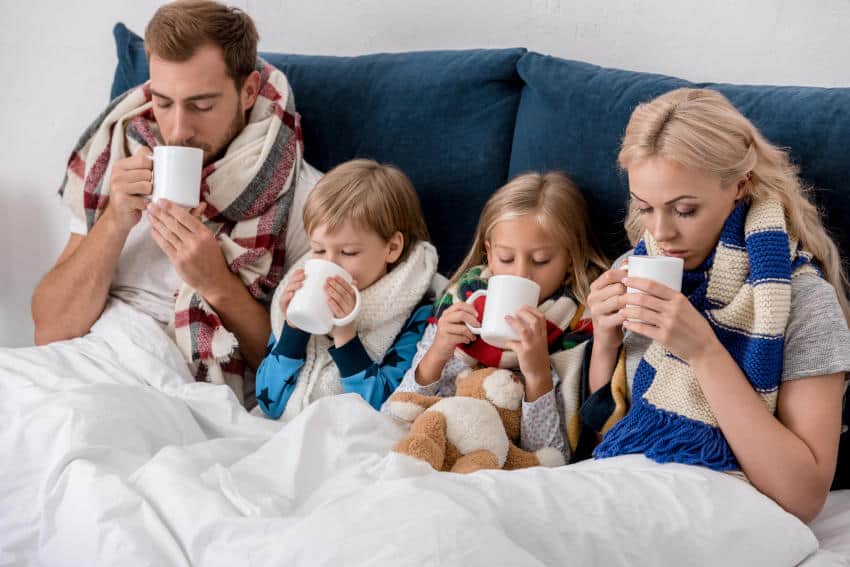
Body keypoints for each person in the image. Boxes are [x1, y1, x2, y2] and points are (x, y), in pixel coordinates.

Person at [30, 0, 320, 403]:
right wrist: (114, 220)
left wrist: (217, 284)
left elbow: (300, 375)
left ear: (249, 91)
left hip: (175, 391)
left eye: (201, 105)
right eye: (164, 102)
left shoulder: (306, 198)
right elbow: (49, 328)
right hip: (86, 362)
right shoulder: (117, 154)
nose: (178, 131)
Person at [586, 88, 850, 522]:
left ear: (740, 185)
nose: (661, 231)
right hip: (620, 490)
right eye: (645, 208)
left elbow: (804, 497)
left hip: (715, 511)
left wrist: (704, 351)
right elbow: (603, 438)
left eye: (684, 210)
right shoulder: (636, 267)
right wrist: (605, 340)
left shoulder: (803, 302)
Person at [389, 171, 609, 463]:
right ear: (489, 254)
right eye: (506, 258)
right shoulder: (460, 302)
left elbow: (551, 455)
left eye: (541, 260)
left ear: (570, 260)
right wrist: (437, 353)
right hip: (439, 449)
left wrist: (538, 373)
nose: (521, 273)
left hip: (508, 467)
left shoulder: (577, 326)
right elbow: (394, 415)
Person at [255, 159, 438, 420]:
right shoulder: (301, 291)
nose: (329, 263)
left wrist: (346, 337)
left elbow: (386, 412)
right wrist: (292, 331)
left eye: (348, 252)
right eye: (318, 250)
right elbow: (269, 402)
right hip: (285, 432)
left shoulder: (414, 315)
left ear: (392, 248)